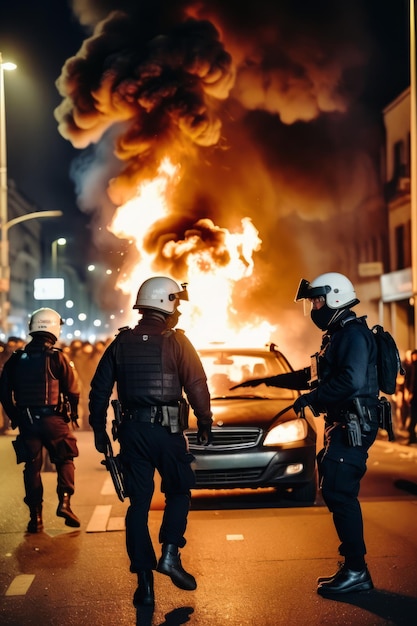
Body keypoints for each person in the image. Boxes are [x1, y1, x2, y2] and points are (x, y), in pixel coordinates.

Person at [232, 272, 379, 595]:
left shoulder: (352, 335)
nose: (314, 306)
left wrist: (310, 400)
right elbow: (310, 376)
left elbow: (351, 382)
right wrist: (267, 381)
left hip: (353, 424)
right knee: (335, 490)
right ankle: (353, 567)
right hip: (341, 424)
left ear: (336, 297)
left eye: (317, 299)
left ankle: (357, 571)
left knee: (340, 492)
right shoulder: (337, 335)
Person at [88, 276, 213, 609]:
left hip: (132, 434)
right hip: (167, 434)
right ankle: (170, 553)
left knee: (138, 507)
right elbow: (196, 384)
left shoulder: (121, 342)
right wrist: (204, 420)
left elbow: (99, 390)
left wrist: (99, 430)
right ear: (166, 303)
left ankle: (144, 583)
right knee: (178, 490)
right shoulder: (177, 342)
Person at [0, 308, 81, 533]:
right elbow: (73, 391)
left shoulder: (16, 359)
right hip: (54, 420)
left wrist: (15, 416)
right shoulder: (57, 357)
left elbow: (4, 393)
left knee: (31, 467)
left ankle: (35, 518)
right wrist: (73, 414)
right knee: (65, 458)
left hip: (27, 420)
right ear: (53, 328)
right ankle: (65, 503)